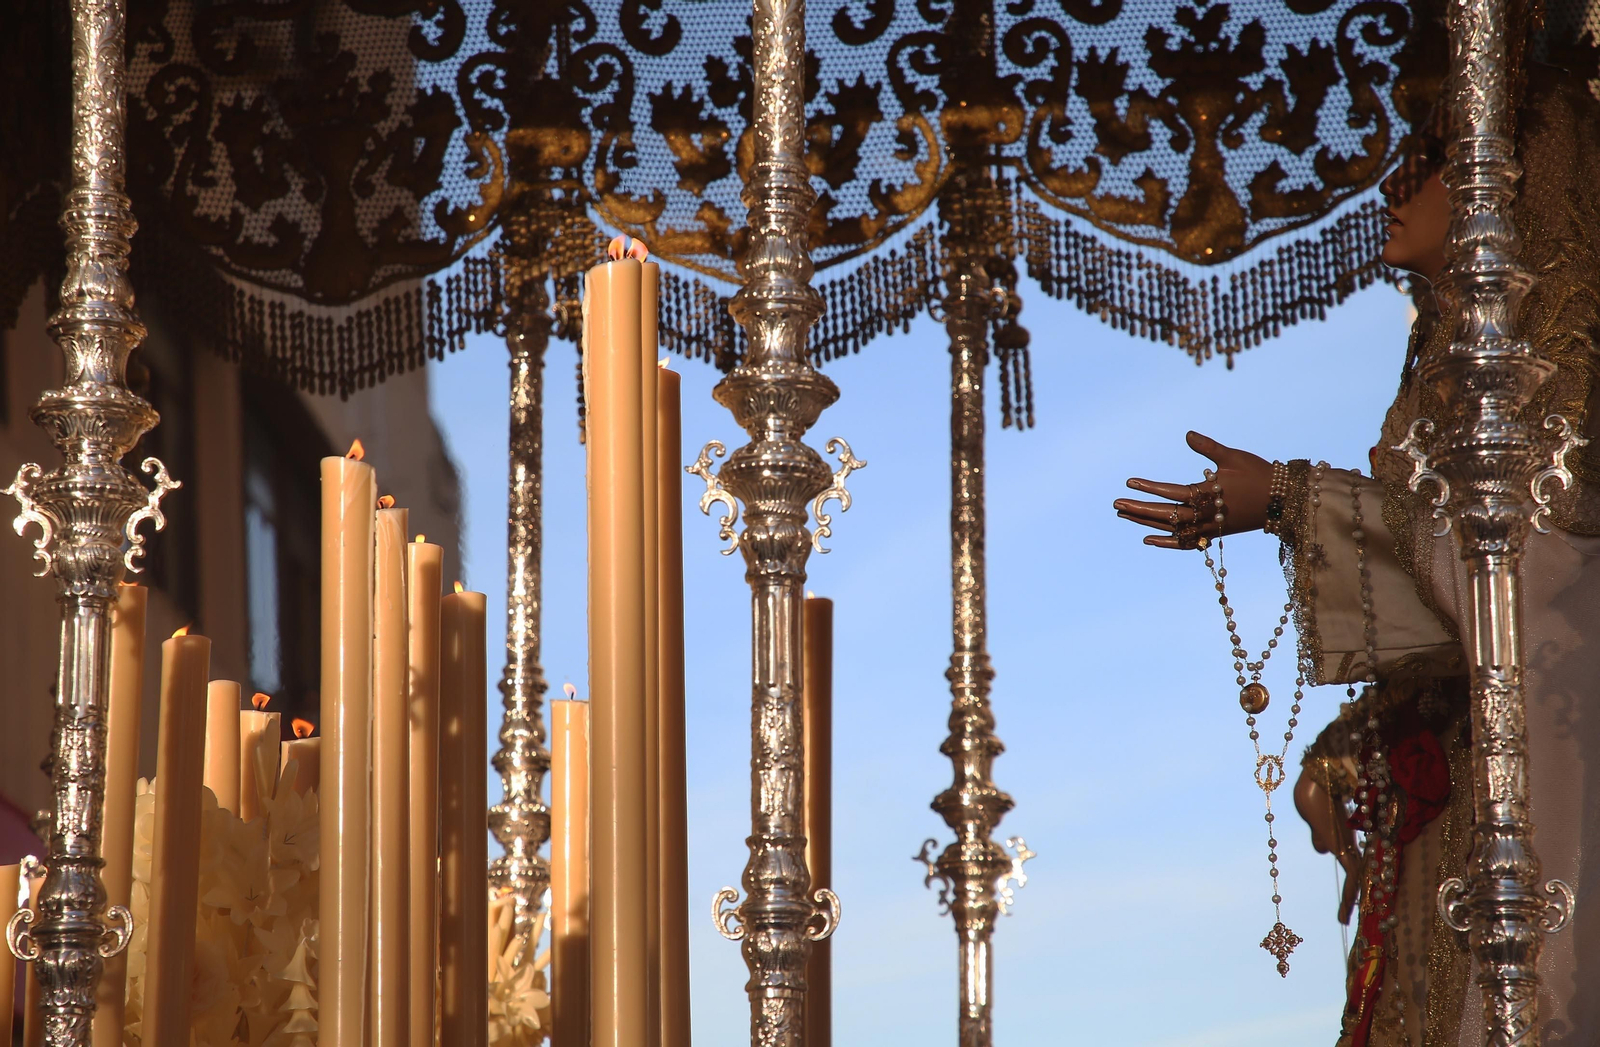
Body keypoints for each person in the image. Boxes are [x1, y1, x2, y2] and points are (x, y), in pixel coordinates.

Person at [1113, 67, 1600, 1047]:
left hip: (1544, 789)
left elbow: (1525, 579)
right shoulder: (1437, 369)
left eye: (1428, 159)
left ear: (1504, 181)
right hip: (1458, 816)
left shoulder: (1556, 370)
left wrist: (1292, 499)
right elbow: (1450, 628)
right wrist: (1351, 748)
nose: (1393, 186)